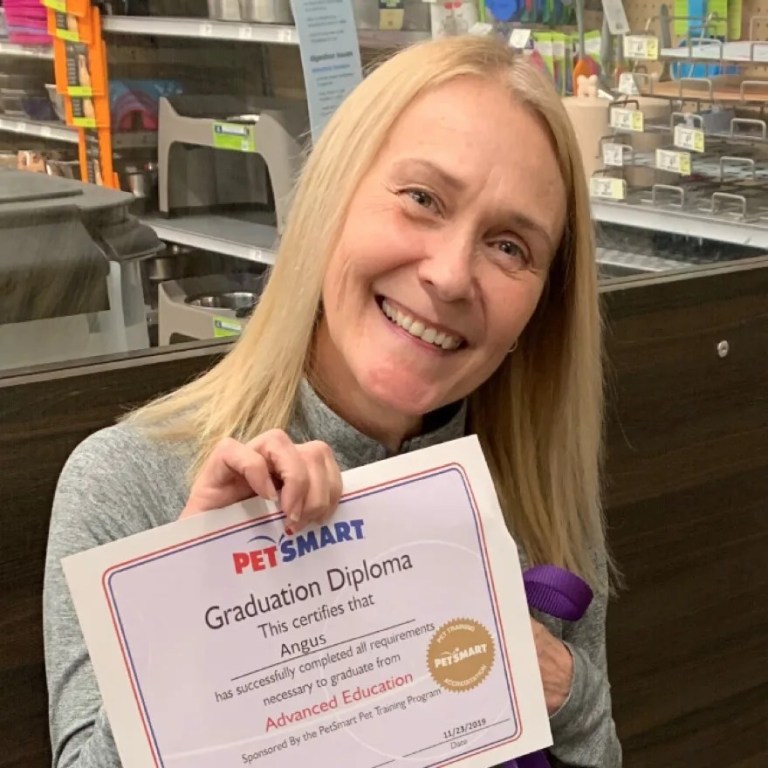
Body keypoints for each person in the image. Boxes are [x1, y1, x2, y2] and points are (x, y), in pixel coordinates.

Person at [43, 35, 621, 768]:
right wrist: (189, 606)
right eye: (422, 199)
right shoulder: (129, 483)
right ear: (330, 202)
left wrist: (568, 694)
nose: (448, 276)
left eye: (510, 247)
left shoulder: (537, 495)